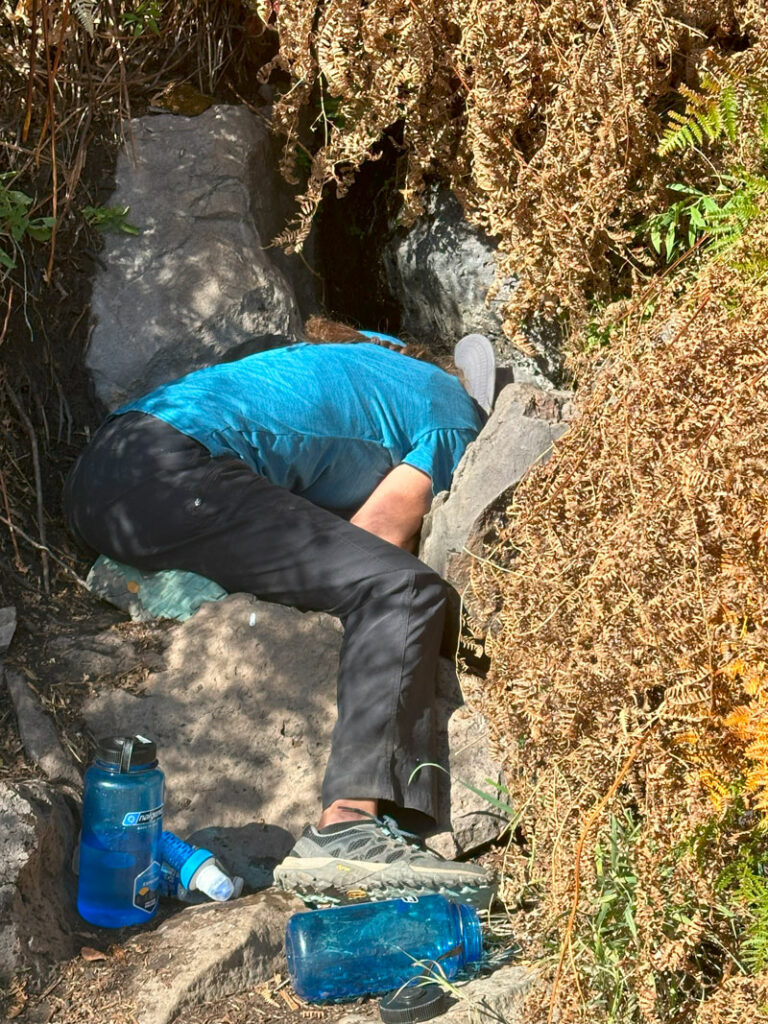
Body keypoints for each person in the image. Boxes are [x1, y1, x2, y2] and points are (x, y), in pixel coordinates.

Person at [64, 320, 494, 901]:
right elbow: (377, 534)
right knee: (401, 589)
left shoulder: (325, 364)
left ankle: (140, 572)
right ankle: (349, 827)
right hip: (177, 473)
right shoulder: (451, 415)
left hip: (102, 475)